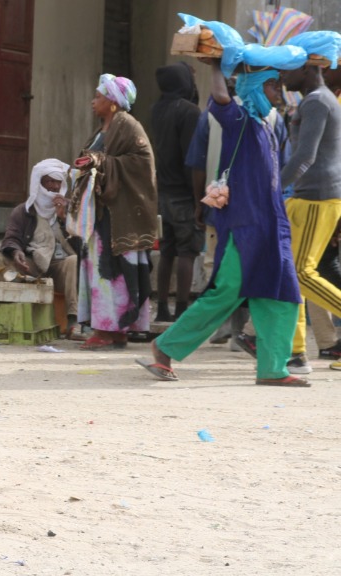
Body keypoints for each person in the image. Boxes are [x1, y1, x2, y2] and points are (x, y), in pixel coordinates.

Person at [139, 59, 307, 386]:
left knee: (283, 294)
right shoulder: (240, 119)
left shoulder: (268, 125)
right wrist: (216, 64)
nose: (279, 93)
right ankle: (164, 347)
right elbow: (220, 97)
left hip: (273, 227)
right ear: (256, 88)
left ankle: (274, 368)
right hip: (246, 228)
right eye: (273, 86)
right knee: (227, 292)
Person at [72, 75, 157, 350]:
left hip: (120, 217)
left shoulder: (128, 126)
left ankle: (109, 329)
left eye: (97, 96)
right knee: (99, 270)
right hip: (100, 215)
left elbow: (140, 165)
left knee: (109, 272)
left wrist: (101, 161)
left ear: (112, 102)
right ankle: (110, 328)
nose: (92, 101)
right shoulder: (101, 132)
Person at [268, 60, 341, 375]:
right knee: (290, 277)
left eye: (288, 69)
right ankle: (296, 353)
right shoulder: (315, 100)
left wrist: (272, 189)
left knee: (300, 274)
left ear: (309, 69)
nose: (282, 76)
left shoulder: (317, 101)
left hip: (317, 197)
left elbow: (305, 156)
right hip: (307, 196)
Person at [0, 159, 78, 334]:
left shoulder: (71, 210)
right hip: (32, 265)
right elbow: (11, 238)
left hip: (59, 267)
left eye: (57, 182)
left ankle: (73, 321)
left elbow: (80, 246)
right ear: (39, 183)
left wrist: (63, 219)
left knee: (74, 261)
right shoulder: (24, 211)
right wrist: (16, 253)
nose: (53, 187)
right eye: (49, 181)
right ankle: (3, 309)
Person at [150, 63, 203, 322]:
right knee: (187, 252)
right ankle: (182, 309)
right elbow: (191, 159)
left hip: (164, 192)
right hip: (184, 192)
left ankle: (161, 307)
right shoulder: (190, 112)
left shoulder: (158, 108)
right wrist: (199, 198)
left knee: (167, 251)